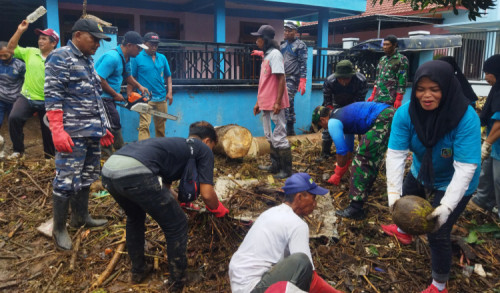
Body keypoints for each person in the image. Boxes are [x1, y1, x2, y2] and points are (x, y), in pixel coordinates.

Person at [381, 60, 480, 293]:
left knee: (437, 230)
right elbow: (395, 155)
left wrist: (445, 206)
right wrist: (393, 196)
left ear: (446, 88)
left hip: (454, 180)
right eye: (420, 89)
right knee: (407, 195)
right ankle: (404, 232)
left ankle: (439, 284)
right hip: (420, 171)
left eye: (434, 89)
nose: (427, 95)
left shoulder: (466, 118)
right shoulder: (406, 113)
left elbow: (465, 168)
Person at [101, 121, 229, 292]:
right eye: (212, 147)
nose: (210, 151)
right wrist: (219, 210)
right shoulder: (203, 149)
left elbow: (165, 191)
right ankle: (178, 281)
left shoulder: (175, 148)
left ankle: (138, 271)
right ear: (207, 142)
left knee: (135, 217)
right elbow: (207, 194)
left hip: (109, 171)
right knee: (177, 225)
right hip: (135, 173)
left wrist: (183, 204)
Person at [44, 18, 114, 250]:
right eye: (94, 39)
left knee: (87, 177)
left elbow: (94, 97)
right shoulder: (61, 56)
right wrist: (57, 130)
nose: (97, 44)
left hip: (90, 132)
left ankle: (80, 217)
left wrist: (103, 128)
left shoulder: (87, 60)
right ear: (78, 36)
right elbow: (53, 96)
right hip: (71, 134)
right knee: (65, 180)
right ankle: (59, 229)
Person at [229, 173, 342, 293]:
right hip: (254, 287)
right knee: (301, 262)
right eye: (313, 198)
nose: (315, 204)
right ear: (299, 197)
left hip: (240, 284)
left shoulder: (271, 213)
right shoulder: (297, 224)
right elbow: (309, 275)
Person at [312, 102, 395, 220]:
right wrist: (344, 166)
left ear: (322, 119)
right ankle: (366, 188)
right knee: (372, 157)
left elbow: (341, 150)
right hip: (388, 113)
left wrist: (337, 173)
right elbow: (348, 148)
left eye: (321, 125)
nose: (324, 128)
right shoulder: (342, 115)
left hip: (382, 117)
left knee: (362, 158)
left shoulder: (332, 122)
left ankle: (355, 208)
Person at [6, 20, 58, 159]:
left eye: (44, 39)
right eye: (39, 38)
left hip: (48, 100)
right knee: (14, 118)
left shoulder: (58, 58)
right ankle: (18, 151)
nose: (40, 41)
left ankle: (49, 157)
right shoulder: (30, 52)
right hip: (27, 96)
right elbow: (11, 48)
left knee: (48, 130)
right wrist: (20, 30)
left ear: (53, 43)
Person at [95, 31, 150, 154]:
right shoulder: (112, 58)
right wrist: (115, 94)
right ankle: (109, 154)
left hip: (110, 98)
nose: (140, 51)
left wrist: (140, 86)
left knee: (113, 123)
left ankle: (117, 151)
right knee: (112, 124)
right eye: (138, 48)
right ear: (129, 45)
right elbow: (99, 79)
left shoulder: (126, 58)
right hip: (102, 98)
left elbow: (128, 76)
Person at [251, 25, 292, 179]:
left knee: (279, 135)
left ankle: (286, 170)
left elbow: (281, 78)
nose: (256, 41)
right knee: (269, 135)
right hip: (265, 103)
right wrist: (258, 103)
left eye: (258, 38)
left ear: (265, 39)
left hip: (275, 104)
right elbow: (264, 83)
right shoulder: (267, 55)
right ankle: (275, 166)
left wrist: (277, 102)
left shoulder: (275, 55)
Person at [318, 60, 368, 161]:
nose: (344, 82)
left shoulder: (360, 81)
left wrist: (350, 116)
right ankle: (325, 153)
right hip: (336, 104)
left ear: (352, 76)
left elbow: (360, 102)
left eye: (346, 79)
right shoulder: (330, 81)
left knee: (351, 126)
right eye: (340, 79)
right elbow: (328, 102)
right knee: (329, 126)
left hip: (353, 104)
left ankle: (351, 152)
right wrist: (333, 115)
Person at [470, 54, 500, 219]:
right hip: (494, 143)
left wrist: (486, 144)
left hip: (495, 142)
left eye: (488, 72)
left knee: (498, 179)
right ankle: (482, 203)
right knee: (487, 174)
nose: (485, 76)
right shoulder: (496, 89)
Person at [130, 32, 173, 140]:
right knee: (144, 126)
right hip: (145, 98)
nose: (154, 47)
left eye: (156, 44)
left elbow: (168, 76)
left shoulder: (162, 58)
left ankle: (160, 149)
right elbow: (131, 78)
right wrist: (129, 93)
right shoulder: (137, 57)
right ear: (144, 44)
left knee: (160, 127)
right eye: (151, 44)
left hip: (161, 97)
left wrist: (170, 92)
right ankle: (143, 151)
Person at [280, 21, 308, 136]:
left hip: (293, 77)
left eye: (289, 30)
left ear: (295, 32)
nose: (286, 32)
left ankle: (285, 127)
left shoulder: (300, 45)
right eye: (285, 30)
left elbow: (303, 63)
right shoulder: (282, 45)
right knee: (288, 102)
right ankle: (290, 127)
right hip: (282, 77)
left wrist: (303, 80)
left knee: (286, 99)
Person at [367, 35, 408, 109]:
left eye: (387, 44)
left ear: (394, 45)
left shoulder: (401, 59)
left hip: (391, 98)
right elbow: (377, 78)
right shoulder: (382, 59)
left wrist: (399, 99)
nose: (384, 47)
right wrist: (372, 95)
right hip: (378, 98)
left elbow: (402, 79)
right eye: (384, 44)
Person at [0, 41, 25, 158]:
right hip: (0, 99)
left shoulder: (20, 65)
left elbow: (26, 81)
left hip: (15, 100)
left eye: (5, 55)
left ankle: (18, 150)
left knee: (15, 126)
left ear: (11, 52)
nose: (3, 58)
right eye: (0, 55)